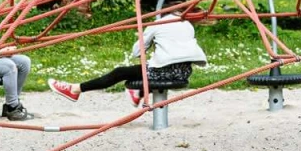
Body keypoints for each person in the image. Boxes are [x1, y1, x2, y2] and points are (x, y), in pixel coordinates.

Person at [48, 18, 208, 107]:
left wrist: (147, 36)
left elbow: (137, 52)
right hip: (183, 72)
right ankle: (138, 93)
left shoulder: (158, 23)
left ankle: (75, 89)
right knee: (135, 75)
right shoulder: (187, 24)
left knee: (121, 72)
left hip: (163, 71)